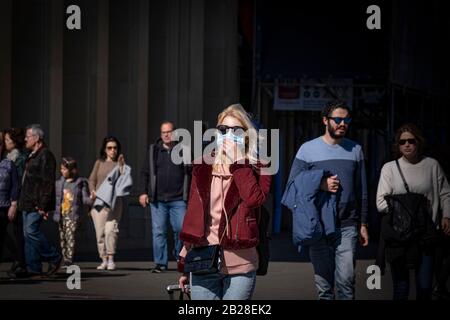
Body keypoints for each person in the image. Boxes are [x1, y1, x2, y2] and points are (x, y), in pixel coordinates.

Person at [177, 104, 272, 300]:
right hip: (203, 258)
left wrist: (238, 162)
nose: (228, 135)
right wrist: (185, 260)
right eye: (222, 130)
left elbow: (254, 199)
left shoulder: (260, 166)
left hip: (241, 260)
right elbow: (194, 214)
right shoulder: (202, 165)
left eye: (235, 130)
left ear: (246, 135)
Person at [284, 100, 369, 300]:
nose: (342, 123)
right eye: (338, 119)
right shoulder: (307, 149)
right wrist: (320, 183)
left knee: (346, 283)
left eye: (346, 119)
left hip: (347, 224)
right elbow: (292, 185)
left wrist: (363, 223)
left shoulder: (355, 149)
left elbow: (362, 189)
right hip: (319, 226)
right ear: (325, 120)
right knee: (324, 289)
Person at [376, 123, 450, 300]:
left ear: (419, 142)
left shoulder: (432, 165)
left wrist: (447, 215)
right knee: (401, 287)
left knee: (424, 287)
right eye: (402, 142)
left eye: (411, 141)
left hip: (426, 236)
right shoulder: (389, 168)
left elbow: (445, 193)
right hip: (400, 237)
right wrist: (406, 210)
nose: (407, 145)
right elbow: (380, 203)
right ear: (398, 145)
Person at [139, 121, 191, 273]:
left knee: (181, 229)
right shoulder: (153, 151)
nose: (167, 135)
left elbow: (192, 173)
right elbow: (145, 172)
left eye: (169, 131)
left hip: (179, 199)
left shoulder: (184, 150)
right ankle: (160, 263)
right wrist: (143, 192)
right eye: (164, 132)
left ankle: (178, 255)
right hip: (158, 200)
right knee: (159, 231)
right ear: (161, 135)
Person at [18, 124, 61, 278]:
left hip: (37, 202)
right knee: (27, 235)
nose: (25, 139)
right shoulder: (32, 155)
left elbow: (47, 182)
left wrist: (43, 205)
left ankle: (54, 257)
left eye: (27, 136)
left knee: (31, 231)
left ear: (36, 138)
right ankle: (34, 268)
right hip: (27, 201)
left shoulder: (46, 155)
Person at [89, 136, 129, 270]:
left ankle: (111, 258)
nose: (112, 150)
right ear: (105, 149)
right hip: (99, 203)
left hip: (114, 203)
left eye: (115, 148)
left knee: (111, 230)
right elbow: (91, 180)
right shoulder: (99, 163)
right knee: (100, 233)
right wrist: (92, 191)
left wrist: (121, 166)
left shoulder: (120, 164)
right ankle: (104, 259)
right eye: (109, 148)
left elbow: (124, 183)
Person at [53, 157, 92, 267]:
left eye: (64, 169)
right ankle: (65, 258)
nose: (62, 171)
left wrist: (92, 199)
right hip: (61, 215)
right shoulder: (59, 183)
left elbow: (85, 199)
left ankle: (69, 259)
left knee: (70, 237)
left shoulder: (80, 183)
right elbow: (54, 199)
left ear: (72, 170)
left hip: (73, 215)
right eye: (61, 169)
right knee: (63, 238)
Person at [1, 128, 28, 278]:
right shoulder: (9, 156)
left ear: (14, 142)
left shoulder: (18, 158)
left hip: (15, 200)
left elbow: (17, 182)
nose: (5, 143)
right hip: (9, 200)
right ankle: (18, 260)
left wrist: (14, 202)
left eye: (7, 140)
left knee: (18, 233)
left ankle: (20, 262)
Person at [0, 146, 20, 276]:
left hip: (3, 206)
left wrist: (13, 204)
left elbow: (15, 185)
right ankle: (18, 257)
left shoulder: (8, 165)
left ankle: (18, 258)